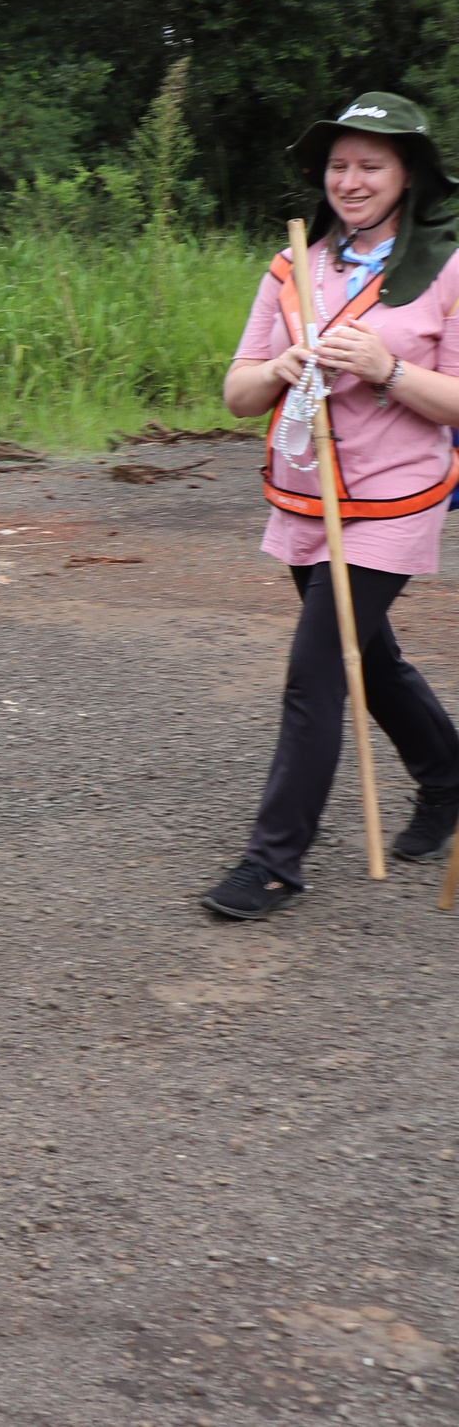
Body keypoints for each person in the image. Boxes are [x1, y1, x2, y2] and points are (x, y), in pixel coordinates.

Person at [210, 91, 459, 919]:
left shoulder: (450, 266)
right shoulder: (293, 266)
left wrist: (385, 367)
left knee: (315, 672)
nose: (349, 181)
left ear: (409, 175)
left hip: (393, 498)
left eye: (370, 166)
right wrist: (280, 370)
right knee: (371, 661)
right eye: (338, 165)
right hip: (303, 497)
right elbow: (237, 392)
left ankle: (273, 863)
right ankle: (450, 779)